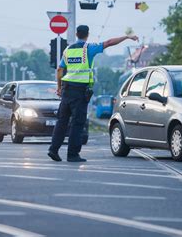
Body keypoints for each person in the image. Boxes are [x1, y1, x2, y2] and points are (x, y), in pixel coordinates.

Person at [48, 25, 139, 162]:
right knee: (78, 123)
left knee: (62, 121)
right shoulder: (88, 49)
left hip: (66, 90)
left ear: (77, 34)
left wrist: (59, 88)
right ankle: (72, 154)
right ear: (87, 35)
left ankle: (53, 150)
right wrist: (126, 37)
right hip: (79, 91)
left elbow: (60, 70)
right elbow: (108, 43)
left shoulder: (67, 50)